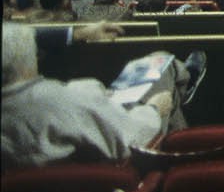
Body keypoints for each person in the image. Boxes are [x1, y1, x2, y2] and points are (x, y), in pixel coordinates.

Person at [1, 23, 173, 169]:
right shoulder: (66, 99)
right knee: (168, 69)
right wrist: (154, 109)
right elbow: (136, 137)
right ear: (30, 58)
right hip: (117, 183)